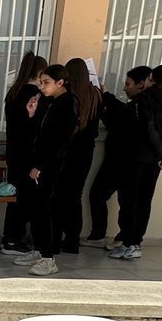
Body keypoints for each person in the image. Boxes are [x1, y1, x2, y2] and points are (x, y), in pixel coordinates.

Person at [13, 63, 78, 277]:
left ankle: (48, 257)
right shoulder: (51, 102)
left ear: (60, 82)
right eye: (41, 82)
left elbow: (59, 140)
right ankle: (39, 250)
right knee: (36, 207)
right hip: (40, 163)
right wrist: (32, 114)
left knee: (44, 209)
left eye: (46, 82)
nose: (42, 87)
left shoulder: (68, 103)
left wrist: (41, 165)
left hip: (51, 166)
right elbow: (40, 134)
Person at [110, 63, 162, 260]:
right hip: (155, 161)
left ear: (150, 79)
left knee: (129, 201)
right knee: (144, 201)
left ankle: (129, 243)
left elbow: (149, 128)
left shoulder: (143, 100)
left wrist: (161, 155)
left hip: (137, 157)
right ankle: (135, 242)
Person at [86, 65, 151, 248]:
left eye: (128, 84)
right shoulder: (134, 106)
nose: (124, 88)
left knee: (126, 201)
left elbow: (121, 120)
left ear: (141, 84)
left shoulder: (141, 106)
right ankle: (105, 235)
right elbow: (117, 120)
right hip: (120, 159)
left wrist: (106, 98)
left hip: (125, 161)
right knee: (103, 196)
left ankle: (123, 239)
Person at [0, 51, 48, 255]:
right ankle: (13, 239)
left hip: (14, 150)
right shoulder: (34, 94)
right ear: (40, 73)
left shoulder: (14, 92)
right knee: (25, 199)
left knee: (15, 195)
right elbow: (34, 126)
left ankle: (9, 238)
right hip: (27, 153)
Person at [55, 57, 101, 253]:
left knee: (58, 195)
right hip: (85, 152)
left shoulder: (67, 96)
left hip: (67, 151)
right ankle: (72, 239)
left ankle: (55, 237)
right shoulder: (95, 95)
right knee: (75, 196)